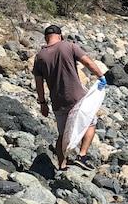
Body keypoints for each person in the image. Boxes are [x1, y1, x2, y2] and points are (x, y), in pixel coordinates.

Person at [32, 24, 106, 171]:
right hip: (76, 97)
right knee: (90, 123)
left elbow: (38, 83)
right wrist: (101, 76)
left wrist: (42, 103)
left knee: (62, 134)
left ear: (46, 38)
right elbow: (88, 63)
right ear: (59, 36)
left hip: (58, 101)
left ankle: (62, 165)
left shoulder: (40, 57)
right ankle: (82, 155)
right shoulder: (69, 46)